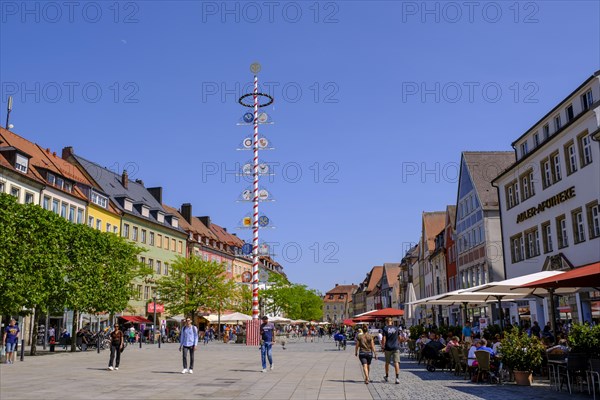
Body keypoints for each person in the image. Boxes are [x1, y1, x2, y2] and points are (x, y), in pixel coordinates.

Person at [381, 317, 404, 384]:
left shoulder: (385, 329)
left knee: (387, 362)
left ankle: (387, 376)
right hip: (395, 347)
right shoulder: (396, 328)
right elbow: (400, 338)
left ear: (386, 322)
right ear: (392, 321)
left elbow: (384, 339)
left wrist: (383, 346)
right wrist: (398, 343)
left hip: (388, 347)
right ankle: (397, 378)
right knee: (396, 362)